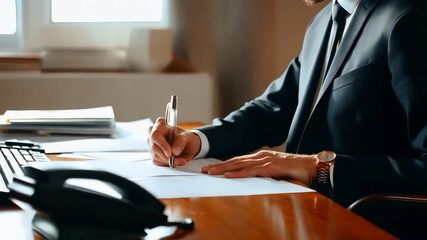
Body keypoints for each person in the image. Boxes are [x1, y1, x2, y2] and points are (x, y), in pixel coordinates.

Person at [149, 0, 427, 209]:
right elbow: (273, 109)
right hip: (304, 211)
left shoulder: (410, 18)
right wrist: (197, 140)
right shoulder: (321, 23)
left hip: (367, 222)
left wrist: (315, 168)